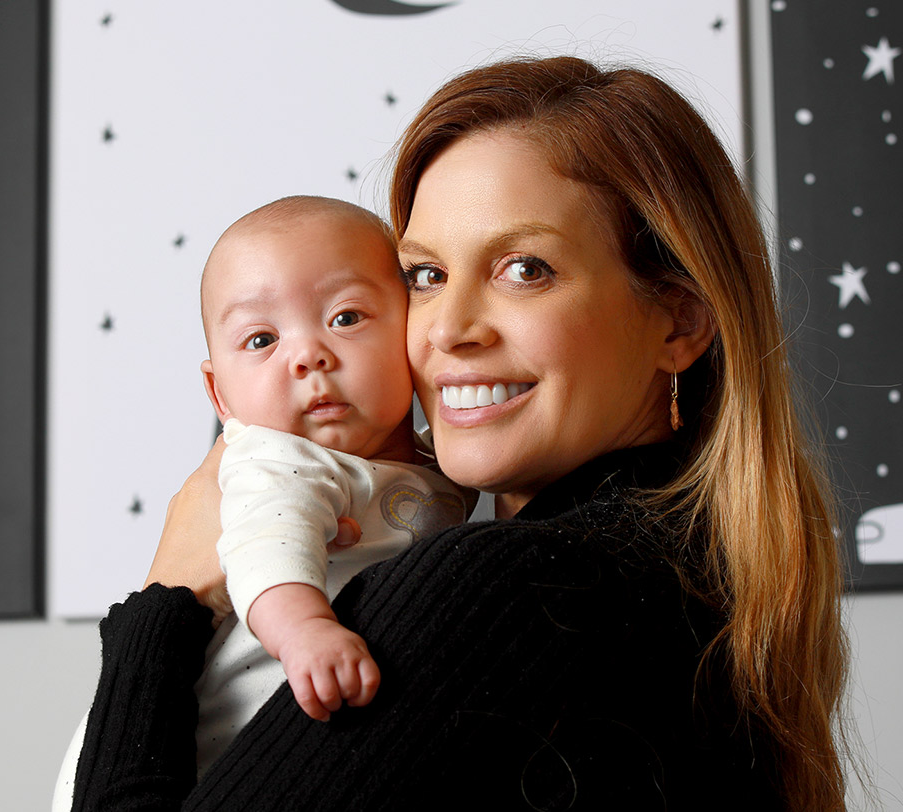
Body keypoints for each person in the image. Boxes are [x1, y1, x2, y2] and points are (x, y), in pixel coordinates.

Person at [65, 55, 849, 811]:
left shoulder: (513, 589)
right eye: (426, 276)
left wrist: (164, 604)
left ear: (678, 321)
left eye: (525, 269)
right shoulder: (700, 579)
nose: (451, 329)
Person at [192, 196, 471, 769]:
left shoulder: (442, 460)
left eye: (346, 318)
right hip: (204, 750)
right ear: (221, 396)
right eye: (262, 340)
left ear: (413, 330)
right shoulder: (278, 462)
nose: (308, 356)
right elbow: (265, 549)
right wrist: (305, 631)